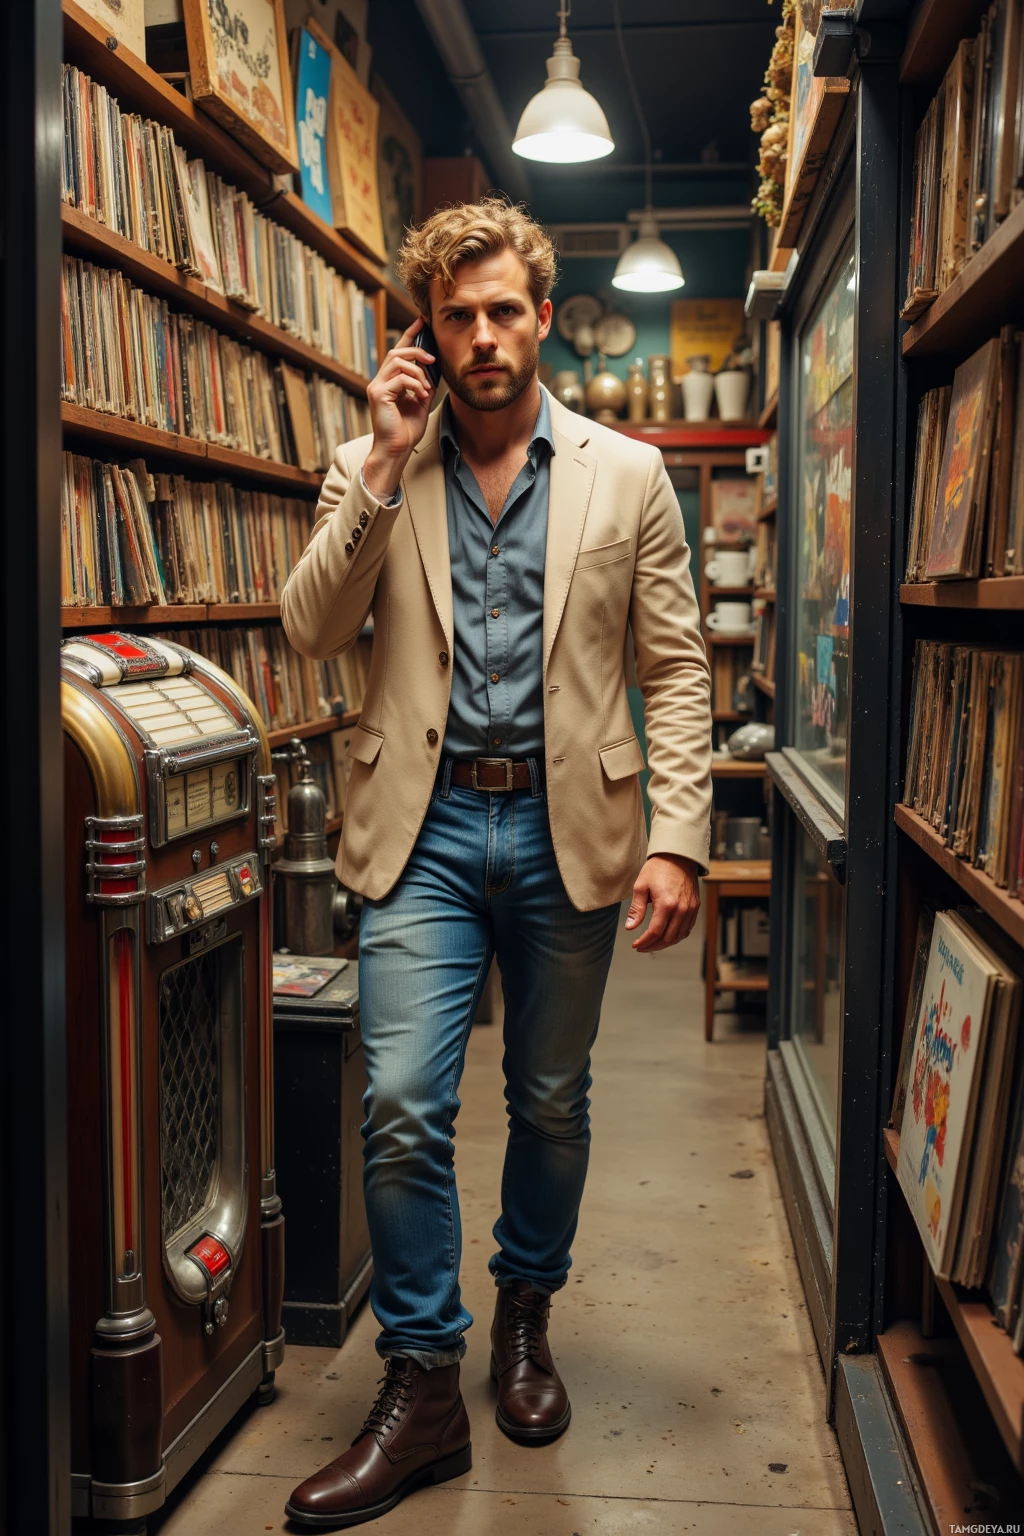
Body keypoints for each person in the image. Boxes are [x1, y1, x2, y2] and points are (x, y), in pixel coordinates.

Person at [280, 198, 712, 1529]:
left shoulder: (627, 474)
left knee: (551, 1099)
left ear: (541, 315)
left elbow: (676, 671)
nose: (482, 335)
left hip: (563, 825)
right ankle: (421, 1385)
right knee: (403, 1099)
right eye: (456, 315)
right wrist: (380, 465)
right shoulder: (377, 462)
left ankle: (525, 1320)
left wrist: (682, 840)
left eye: (504, 310)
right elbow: (309, 631)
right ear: (427, 331)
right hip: (417, 832)